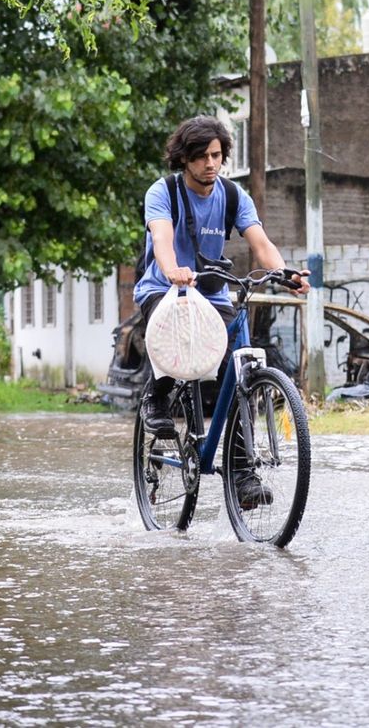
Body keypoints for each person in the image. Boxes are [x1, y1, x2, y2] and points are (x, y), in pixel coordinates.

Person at [133, 115, 310, 508]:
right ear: (184, 159)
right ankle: (157, 397)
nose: (210, 164)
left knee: (238, 372)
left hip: (210, 296)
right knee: (172, 329)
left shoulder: (233, 196)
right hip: (164, 288)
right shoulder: (163, 192)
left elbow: (261, 244)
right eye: (201, 157)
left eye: (216, 155)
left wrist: (285, 273)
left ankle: (244, 474)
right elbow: (162, 239)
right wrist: (172, 271)